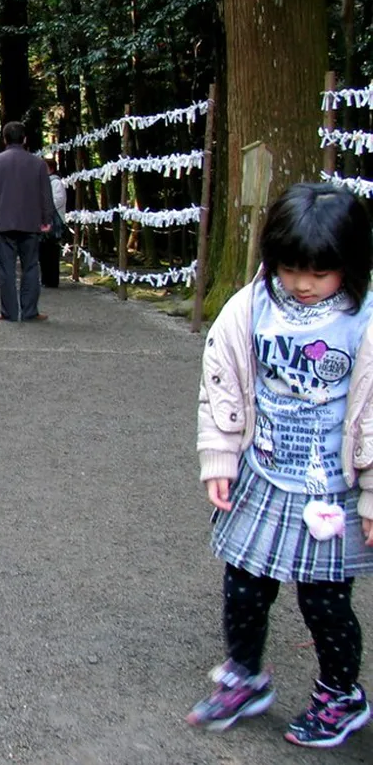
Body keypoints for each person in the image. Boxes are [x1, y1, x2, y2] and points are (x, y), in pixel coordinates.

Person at [187, 183, 373, 748]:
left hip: (330, 486)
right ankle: (246, 674)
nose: (302, 283)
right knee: (244, 583)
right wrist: (220, 455)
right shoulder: (252, 305)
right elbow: (222, 382)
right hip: (265, 473)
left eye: (320, 272)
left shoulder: (363, 319)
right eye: (290, 268)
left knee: (323, 599)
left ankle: (340, 693)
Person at [0, 122, 54, 322]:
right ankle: (30, 311)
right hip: (30, 222)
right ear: (25, 138)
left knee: (6, 268)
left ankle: (9, 312)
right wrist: (47, 219)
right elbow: (46, 195)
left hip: (4, 222)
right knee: (30, 266)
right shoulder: (38, 163)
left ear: (4, 139)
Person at [39, 157, 68, 288]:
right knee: (43, 251)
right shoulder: (41, 182)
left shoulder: (56, 182)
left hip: (53, 220)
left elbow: (58, 200)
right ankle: (45, 278)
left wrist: (45, 207)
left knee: (52, 251)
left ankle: (52, 279)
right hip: (42, 219)